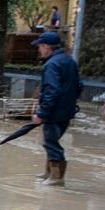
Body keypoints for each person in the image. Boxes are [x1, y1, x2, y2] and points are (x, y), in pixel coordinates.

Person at [30, 31, 81, 186]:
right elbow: (79, 86)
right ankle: (49, 173)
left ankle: (57, 178)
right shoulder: (69, 61)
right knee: (51, 140)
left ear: (46, 47)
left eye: (40, 46)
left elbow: (52, 90)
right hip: (66, 110)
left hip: (54, 111)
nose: (39, 49)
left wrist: (41, 113)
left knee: (50, 141)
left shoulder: (51, 64)